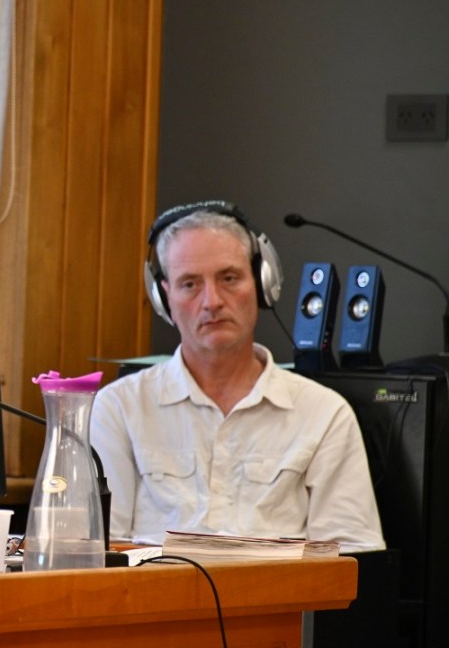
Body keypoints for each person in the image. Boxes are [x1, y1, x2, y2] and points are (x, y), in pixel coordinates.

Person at [90, 200, 384, 553]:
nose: (212, 301)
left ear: (262, 283)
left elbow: (355, 557)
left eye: (229, 278)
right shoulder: (119, 408)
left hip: (277, 592)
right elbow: (95, 550)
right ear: (164, 299)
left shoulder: (324, 415)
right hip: (156, 591)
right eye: (190, 284)